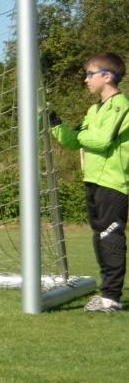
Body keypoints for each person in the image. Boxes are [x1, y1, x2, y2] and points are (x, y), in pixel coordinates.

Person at [51, 52, 129, 311]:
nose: (85, 79)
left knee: (111, 236)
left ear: (107, 76)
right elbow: (74, 141)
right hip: (92, 180)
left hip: (113, 182)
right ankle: (107, 294)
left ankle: (111, 298)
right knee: (100, 237)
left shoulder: (121, 105)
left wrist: (83, 134)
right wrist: (53, 121)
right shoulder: (93, 109)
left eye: (89, 74)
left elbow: (102, 140)